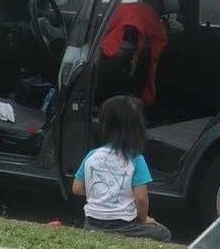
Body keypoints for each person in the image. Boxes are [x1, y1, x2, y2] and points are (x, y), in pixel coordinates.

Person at [72, 95, 171, 242]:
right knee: (163, 233)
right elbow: (141, 199)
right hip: (123, 225)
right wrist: (143, 219)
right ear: (137, 129)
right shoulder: (136, 160)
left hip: (92, 222)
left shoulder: (92, 155)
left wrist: (103, 193)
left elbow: (77, 188)